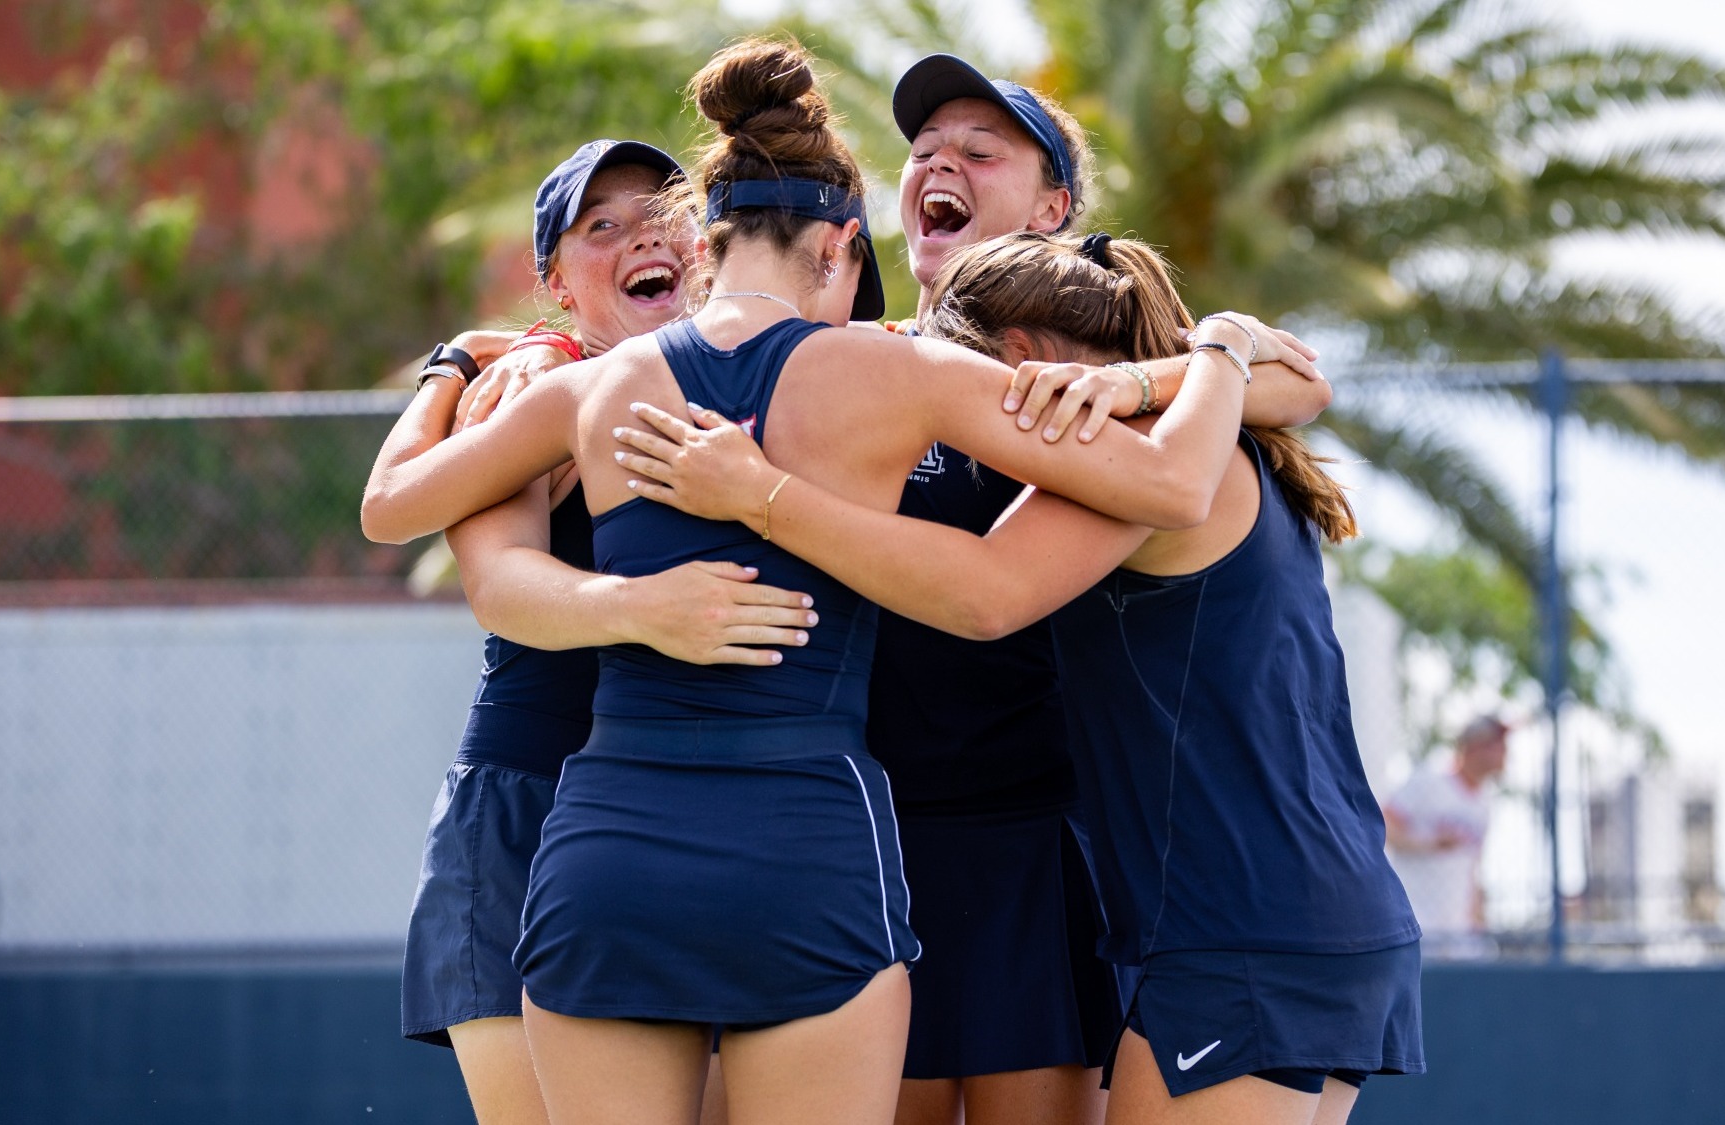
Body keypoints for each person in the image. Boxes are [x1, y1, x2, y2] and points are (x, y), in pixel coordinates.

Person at [360, 37, 1299, 1124]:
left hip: (609, 849)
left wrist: (461, 364)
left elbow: (391, 507)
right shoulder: (902, 370)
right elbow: (1171, 484)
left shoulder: (592, 388)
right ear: (843, 246)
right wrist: (1218, 355)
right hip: (808, 845)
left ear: (704, 246)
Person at [613, 230, 1424, 1125]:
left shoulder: (1137, 457)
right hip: (1310, 916)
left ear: (1021, 360)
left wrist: (757, 496)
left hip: (1240, 932)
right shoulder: (1213, 431)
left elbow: (985, 594)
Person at [869, 54, 1330, 1125]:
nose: (939, 164)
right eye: (923, 151)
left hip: (1045, 844)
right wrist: (533, 349)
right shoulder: (859, 360)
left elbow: (1294, 375)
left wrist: (1143, 374)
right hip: (875, 838)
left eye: (979, 152)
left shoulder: (1090, 360)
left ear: (1052, 208)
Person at [371, 138, 817, 1125]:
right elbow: (462, 558)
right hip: (531, 802)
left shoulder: (762, 380)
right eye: (600, 227)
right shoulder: (535, 392)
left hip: (700, 808)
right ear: (557, 285)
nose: (639, 239)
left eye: (660, 216)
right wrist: (459, 364)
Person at [1383, 715, 1511, 959]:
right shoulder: (1428, 782)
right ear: (1474, 747)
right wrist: (1428, 844)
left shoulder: (1484, 803)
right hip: (1417, 916)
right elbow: (1383, 824)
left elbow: (1473, 867)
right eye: (1496, 744)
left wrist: (1477, 916)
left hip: (1459, 927)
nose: (1504, 752)